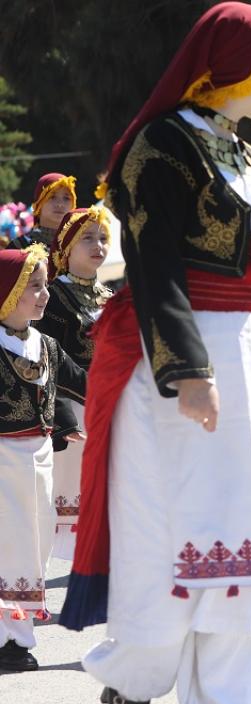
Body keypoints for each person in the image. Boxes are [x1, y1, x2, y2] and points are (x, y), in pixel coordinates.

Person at [61, 6, 251, 704]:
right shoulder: (159, 148)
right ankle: (134, 683)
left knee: (249, 543)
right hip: (183, 359)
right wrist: (186, 372)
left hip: (248, 354)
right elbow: (155, 265)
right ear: (233, 64)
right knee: (165, 533)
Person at [0, 245, 87, 672]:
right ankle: (9, 640)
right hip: (1, 462)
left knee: (38, 544)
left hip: (39, 460)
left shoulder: (47, 345)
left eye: (44, 284)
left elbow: (83, 383)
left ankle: (17, 634)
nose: (44, 294)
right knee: (8, 546)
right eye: (33, 286)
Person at [36, 206, 114, 561]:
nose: (98, 245)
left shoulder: (111, 298)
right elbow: (47, 362)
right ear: (65, 246)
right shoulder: (51, 299)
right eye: (87, 238)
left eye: (102, 238)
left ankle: (95, 568)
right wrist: (63, 417)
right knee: (66, 494)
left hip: (110, 406)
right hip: (74, 409)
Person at [7, 174, 76, 251]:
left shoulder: (78, 246)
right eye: (52, 197)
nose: (60, 204)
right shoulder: (19, 246)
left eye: (66, 198)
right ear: (39, 204)